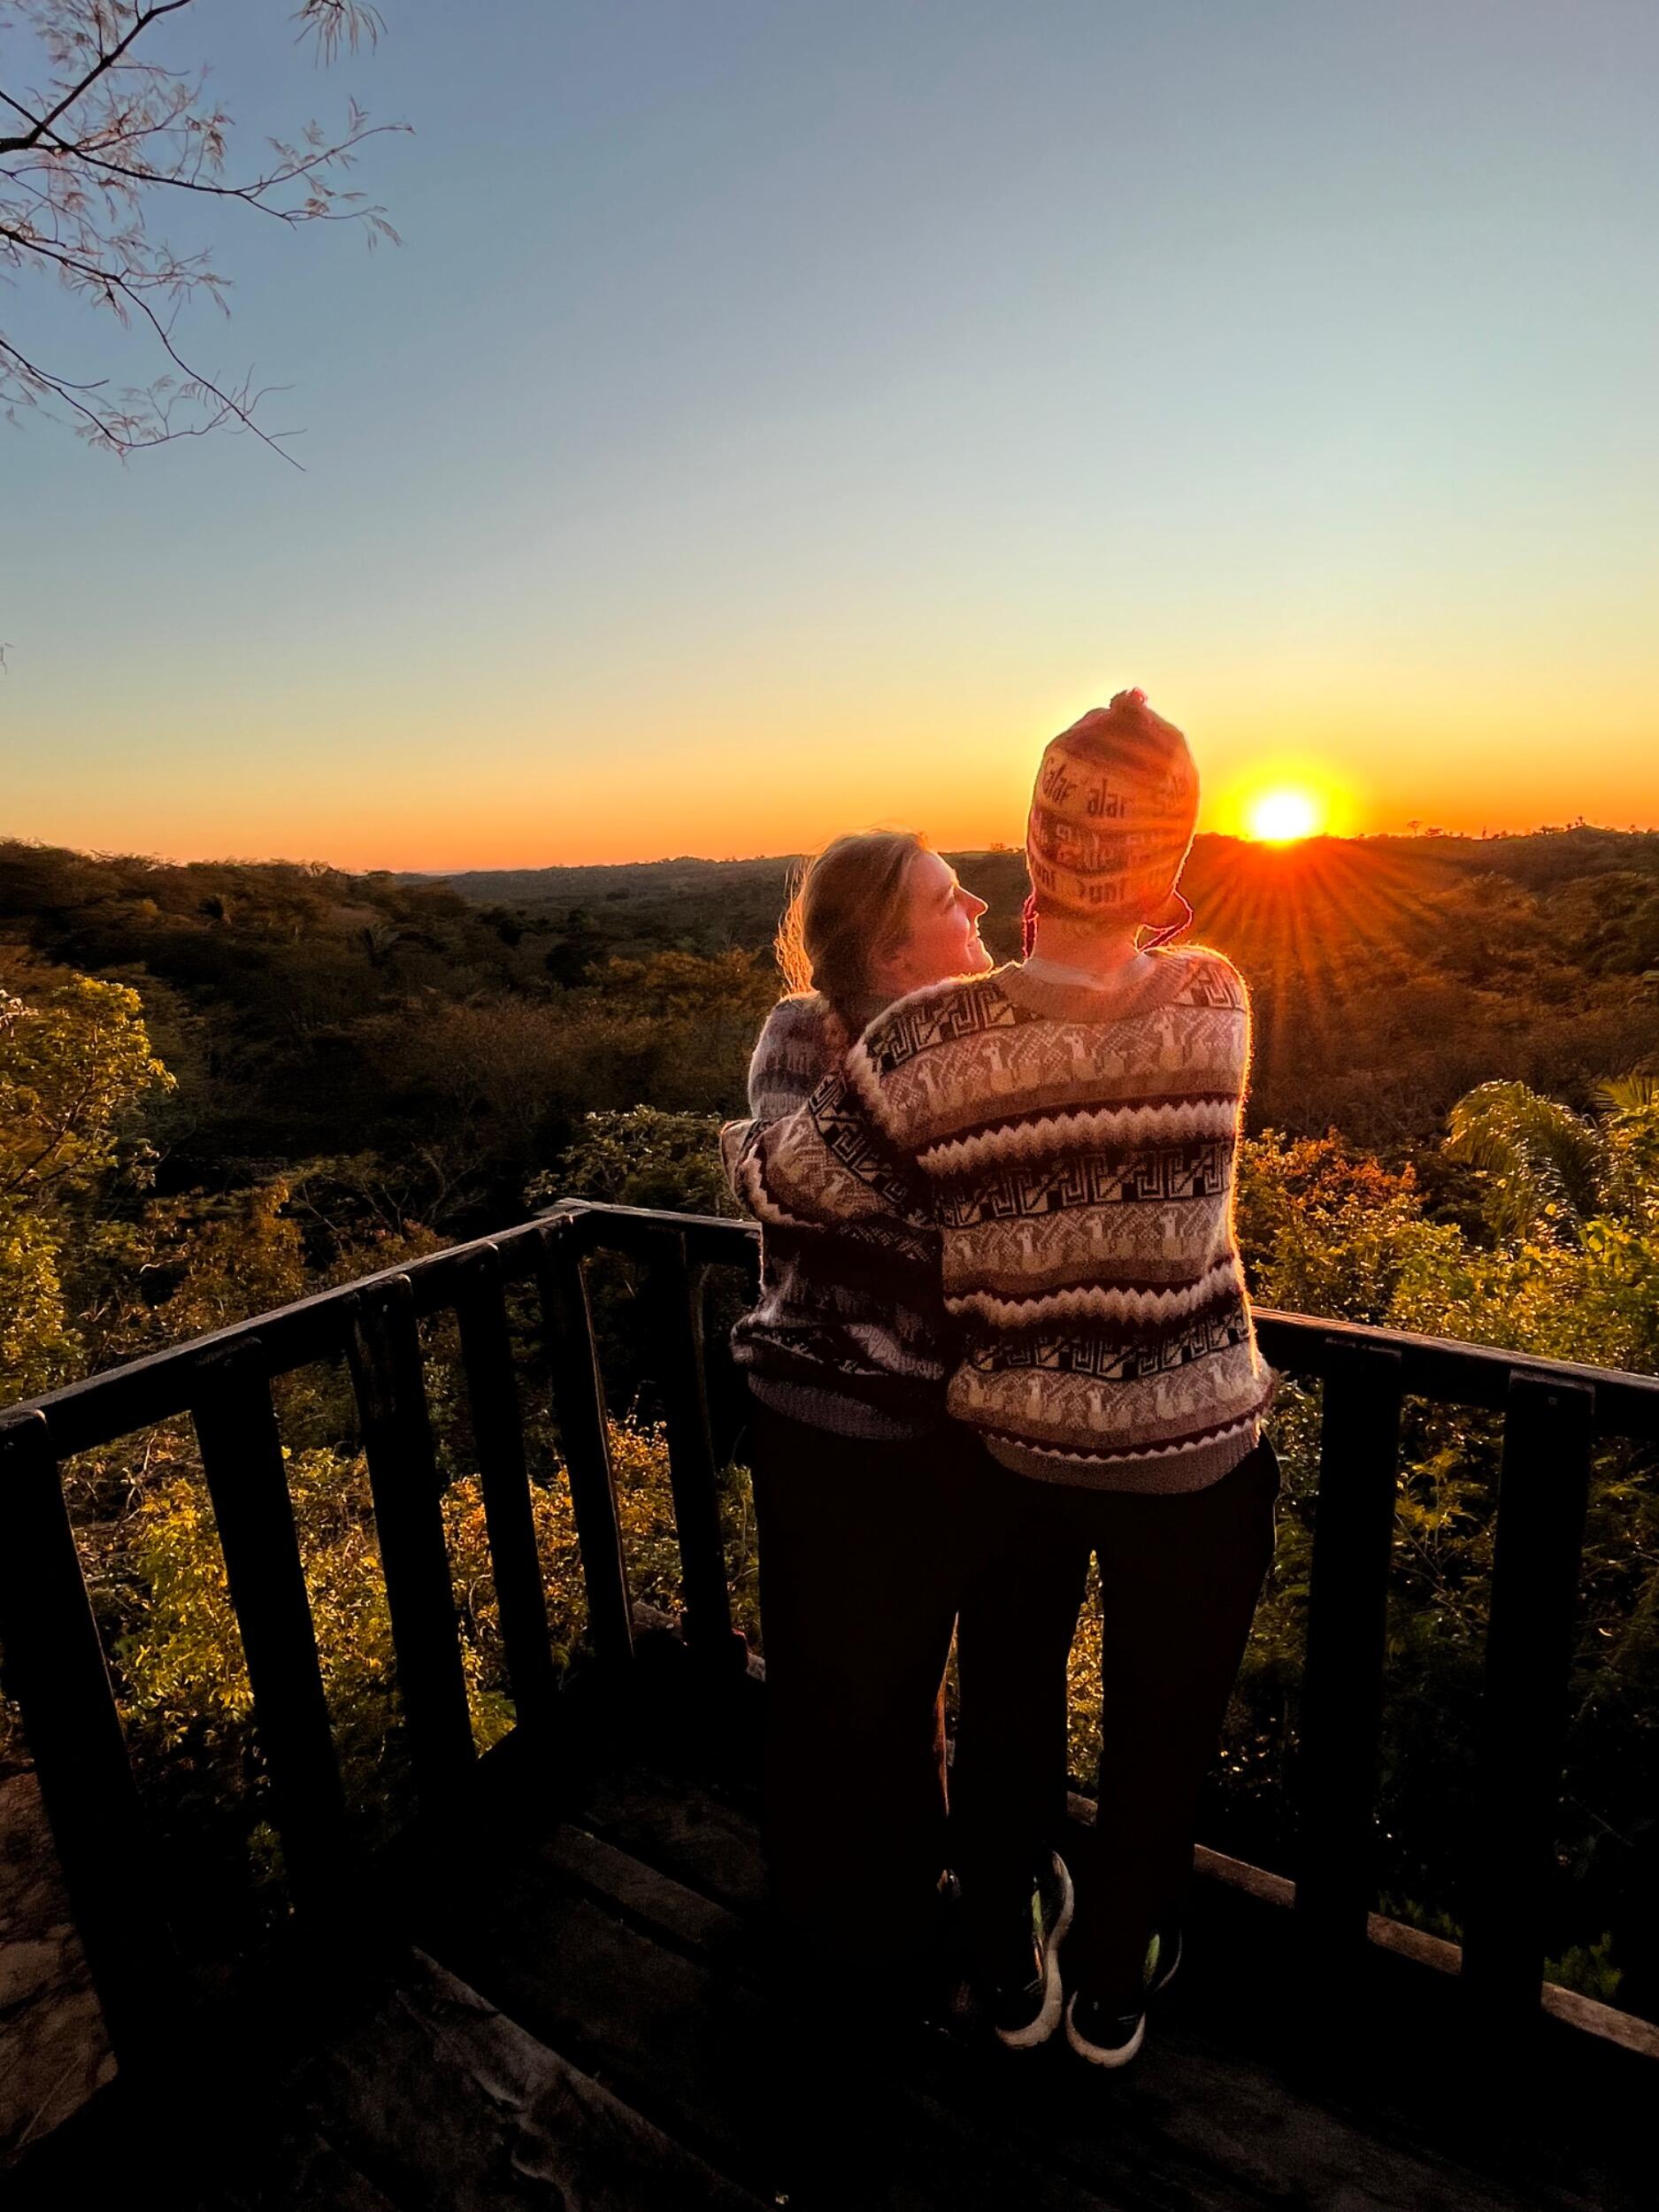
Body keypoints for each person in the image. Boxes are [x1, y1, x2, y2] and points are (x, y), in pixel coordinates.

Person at [730, 690, 1279, 2069]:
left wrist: (732, 1148)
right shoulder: (1214, 996)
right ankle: (1114, 1977)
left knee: (1011, 1707)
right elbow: (1134, 959)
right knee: (1164, 1721)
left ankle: (1002, 1945)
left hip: (1017, 1450)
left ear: (1034, 857)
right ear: (1164, 866)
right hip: (1200, 1451)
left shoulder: (932, 1042)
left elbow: (794, 1179)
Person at [723, 829, 1004, 2003]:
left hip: (852, 1417)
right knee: (860, 1689)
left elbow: (820, 1189)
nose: (980, 901)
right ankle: (870, 1931)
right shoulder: (811, 1029)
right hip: (852, 1421)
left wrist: (754, 1159)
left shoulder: (908, 1045)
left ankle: (844, 1904)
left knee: (878, 1686)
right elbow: (928, 1226)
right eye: (949, 899)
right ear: (891, 952)